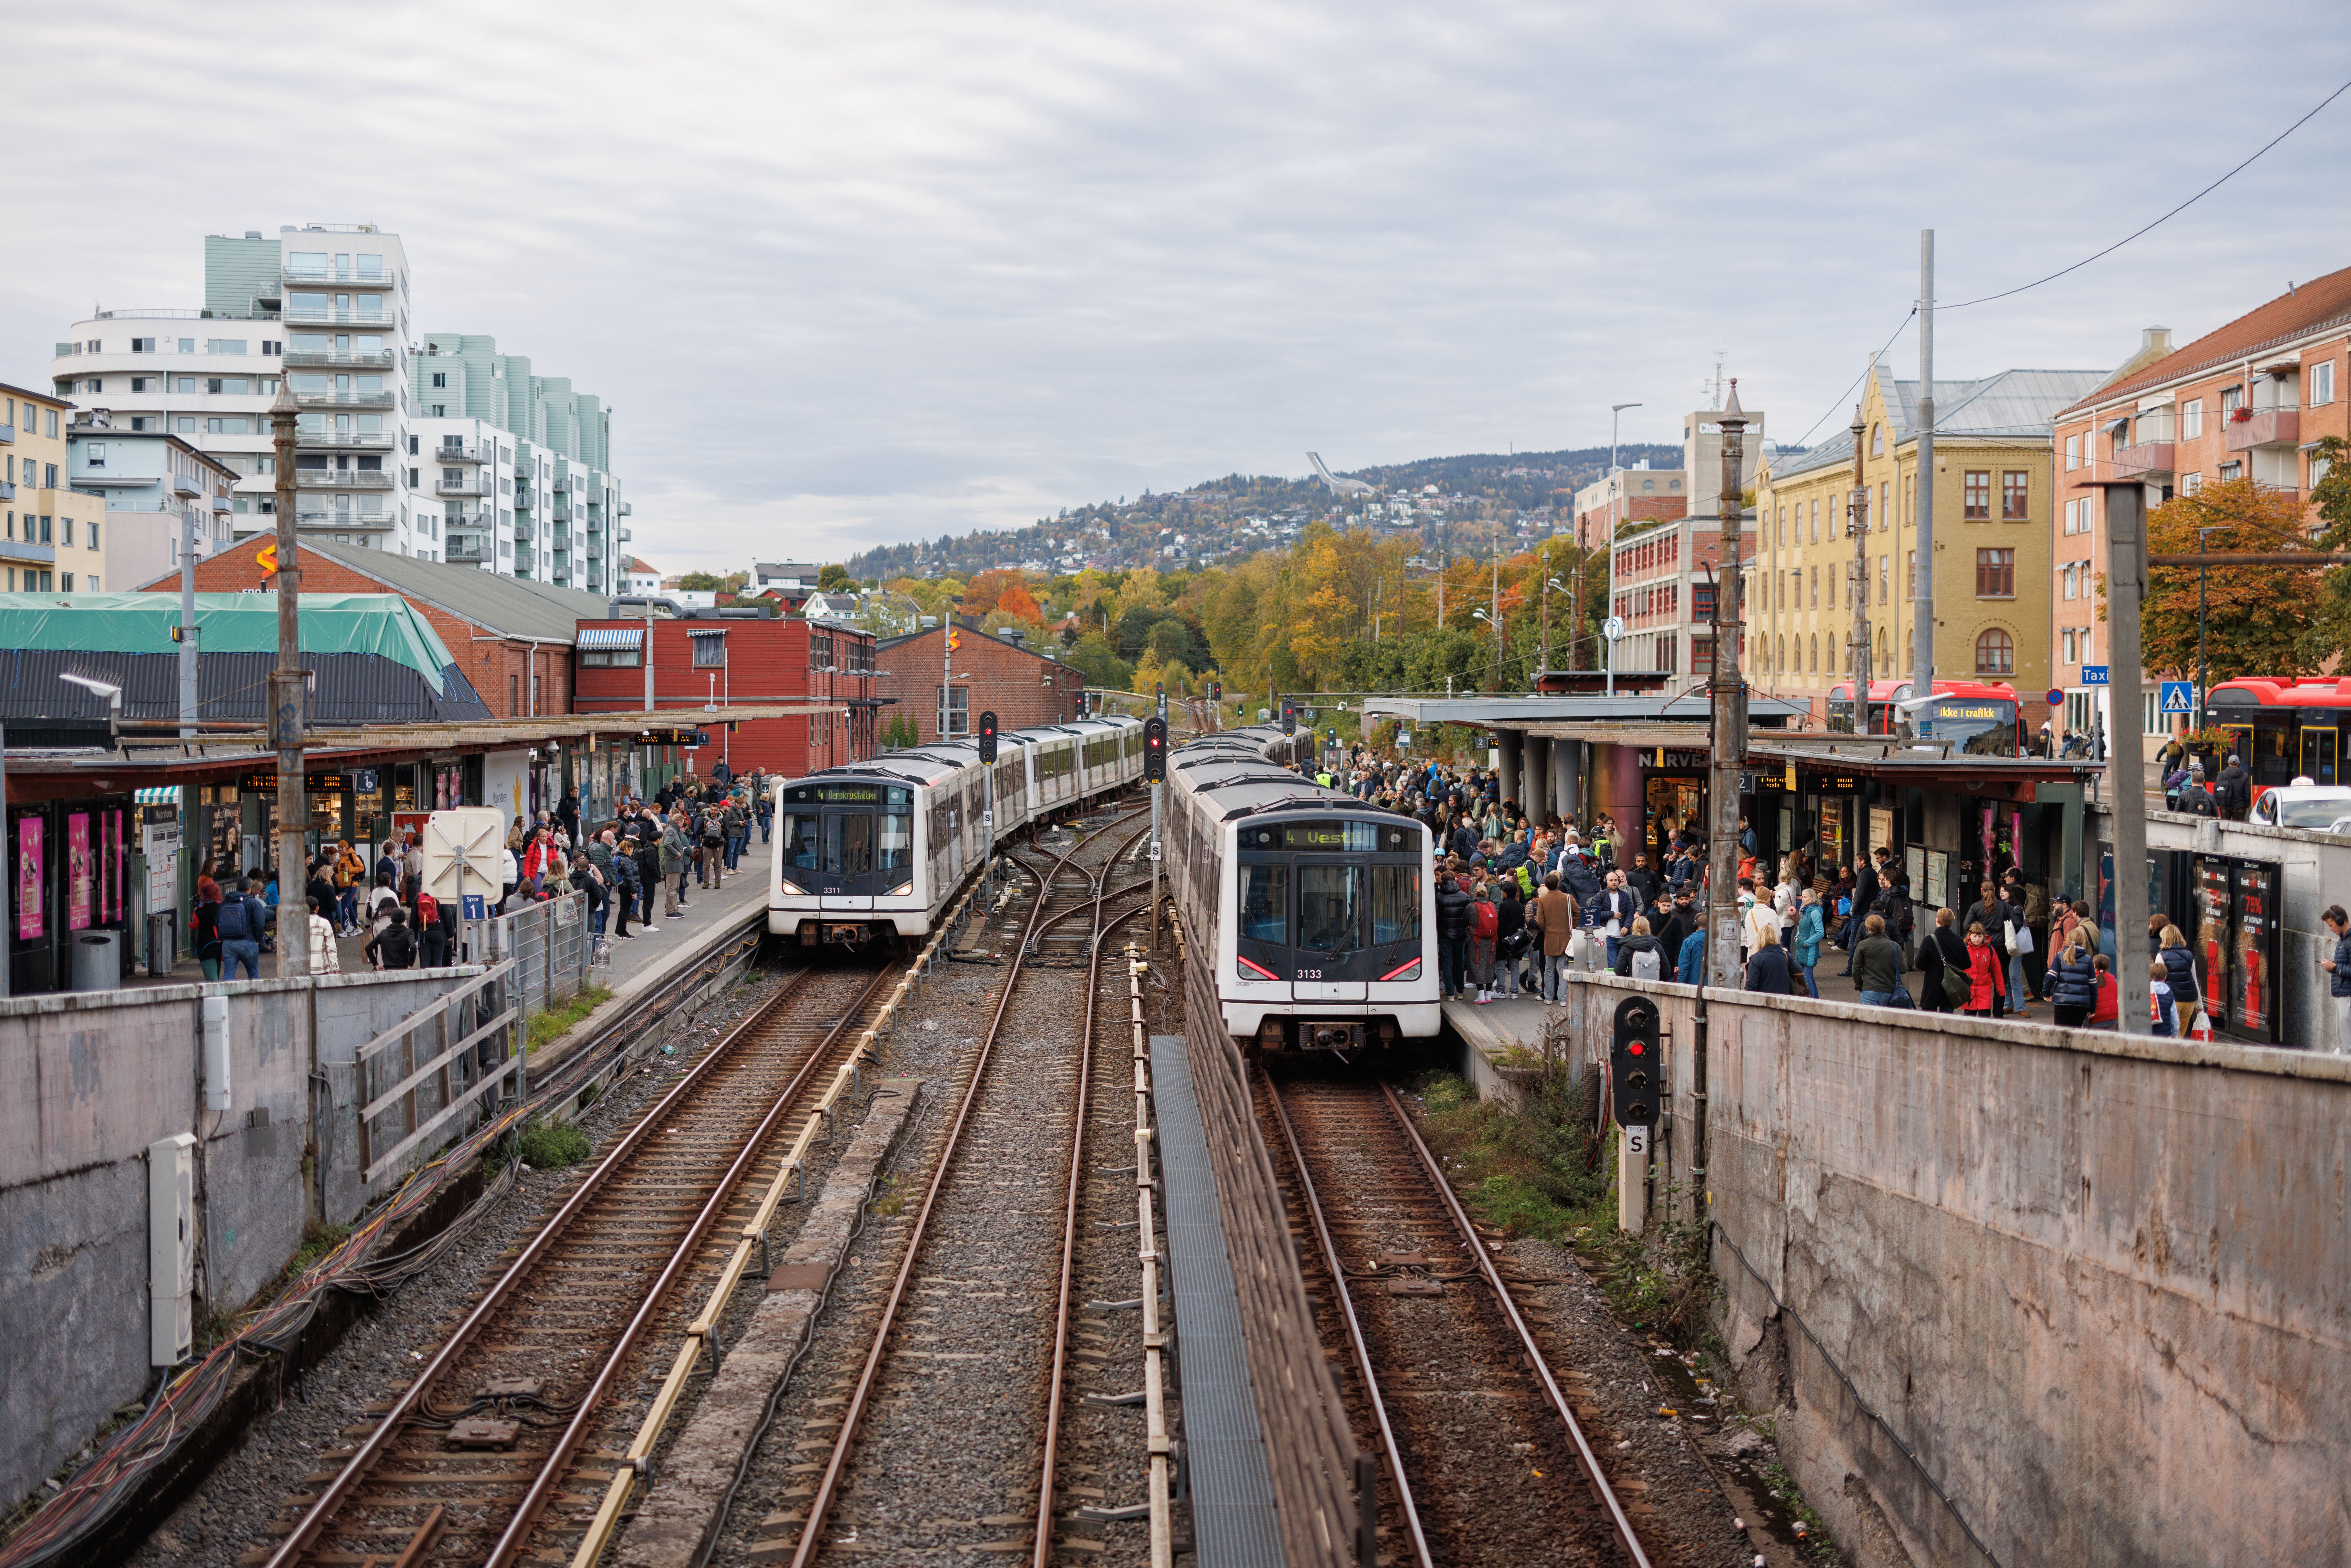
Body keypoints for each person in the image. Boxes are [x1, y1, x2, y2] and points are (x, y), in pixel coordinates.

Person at [1531, 872, 1576, 1001]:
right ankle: (1563, 999)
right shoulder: (1569, 898)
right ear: (1558, 884)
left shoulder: (1543, 900)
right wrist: (1571, 927)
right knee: (1564, 970)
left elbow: (1540, 921)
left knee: (1549, 970)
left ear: (1546, 886)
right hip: (1566, 938)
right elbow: (1578, 913)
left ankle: (1549, 997)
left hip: (1549, 938)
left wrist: (1547, 930)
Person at [215, 876, 267, 981]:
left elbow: (218, 923)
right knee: (254, 974)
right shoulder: (254, 903)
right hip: (248, 942)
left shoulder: (225, 902)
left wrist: (223, 940)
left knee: (229, 975)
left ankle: (227, 997)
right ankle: (256, 996)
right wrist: (258, 940)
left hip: (228, 943)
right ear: (249, 888)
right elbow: (260, 924)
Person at [2047, 928, 2097, 1028]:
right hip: (2082, 1004)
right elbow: (2093, 986)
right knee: (2075, 1037)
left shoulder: (2060, 956)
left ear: (2068, 941)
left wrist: (2046, 992)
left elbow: (2051, 977)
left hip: (2062, 1002)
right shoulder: (2088, 960)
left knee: (2060, 1036)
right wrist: (2092, 1008)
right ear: (2083, 942)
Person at [2156, 923, 2200, 1036]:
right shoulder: (2189, 955)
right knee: (2181, 1032)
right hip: (2190, 1000)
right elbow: (2194, 980)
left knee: (2173, 1034)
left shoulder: (2161, 956)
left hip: (2173, 999)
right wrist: (2200, 1005)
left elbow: (2158, 980)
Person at [1851, 914, 1904, 1008]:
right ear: (1883, 926)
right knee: (1887, 1021)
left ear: (1868, 928)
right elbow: (1903, 969)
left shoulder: (1863, 946)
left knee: (1870, 1021)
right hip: (1889, 991)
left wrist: (1861, 987)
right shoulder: (1895, 946)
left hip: (1869, 991)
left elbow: (1855, 971)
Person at [1437, 873, 1473, 1001]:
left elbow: (1436, 917)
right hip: (1460, 934)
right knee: (1459, 962)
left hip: (1445, 935)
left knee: (1447, 963)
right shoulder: (1465, 897)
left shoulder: (1439, 897)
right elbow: (1470, 916)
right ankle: (1460, 992)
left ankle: (1450, 993)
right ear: (1454, 880)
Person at [2321, 905, 2351, 1054]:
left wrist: (2334, 967)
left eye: (2331, 925)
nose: (2331, 929)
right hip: (2341, 996)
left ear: (2340, 921)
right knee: (2342, 1041)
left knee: (2348, 1043)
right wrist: (2332, 967)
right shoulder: (2342, 941)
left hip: (2348, 998)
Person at [1961, 922, 2006, 1017]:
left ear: (1984, 936)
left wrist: (2001, 990)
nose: (1977, 939)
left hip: (1985, 990)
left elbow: (1997, 972)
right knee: (1969, 1021)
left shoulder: (1990, 950)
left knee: (1985, 1019)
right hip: (1969, 990)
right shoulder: (1965, 949)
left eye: (1980, 936)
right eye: (1975, 936)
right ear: (1970, 936)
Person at [1494, 880, 1528, 999]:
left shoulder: (1504, 905)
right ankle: (1514, 991)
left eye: (1503, 891)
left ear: (1506, 893)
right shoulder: (1520, 905)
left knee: (1501, 965)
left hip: (1505, 940)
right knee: (1515, 967)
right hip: (1518, 942)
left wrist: (1498, 939)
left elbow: (1501, 925)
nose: (1502, 893)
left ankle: (1501, 990)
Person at [1743, 925, 1800, 995]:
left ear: (1759, 939)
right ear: (1775, 937)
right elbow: (1799, 971)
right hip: (1784, 1000)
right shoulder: (1786, 956)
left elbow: (1750, 987)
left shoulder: (1756, 959)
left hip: (1764, 1001)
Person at [1791, 886, 1824, 999]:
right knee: (1807, 977)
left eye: (1806, 897)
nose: (1803, 899)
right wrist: (1797, 937)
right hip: (1802, 948)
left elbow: (1821, 933)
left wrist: (1807, 943)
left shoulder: (1815, 913)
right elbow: (1801, 928)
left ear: (1812, 898)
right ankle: (1816, 1000)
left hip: (1809, 949)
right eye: (1803, 897)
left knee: (1808, 978)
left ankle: (1812, 1002)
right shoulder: (1804, 910)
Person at [1613, 914, 1665, 982]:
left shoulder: (1627, 945)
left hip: (1633, 985)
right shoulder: (1656, 944)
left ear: (1634, 927)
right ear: (1648, 927)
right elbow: (1666, 970)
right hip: (1654, 986)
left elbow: (1619, 970)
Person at [1469, 885, 1500, 1003]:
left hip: (1477, 940)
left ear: (1475, 895)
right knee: (1489, 965)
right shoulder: (1492, 905)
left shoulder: (1473, 906)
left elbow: (1467, 920)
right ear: (1486, 895)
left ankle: (1481, 997)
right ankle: (1488, 996)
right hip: (1491, 940)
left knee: (1477, 965)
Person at [191, 877, 224, 982]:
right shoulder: (223, 907)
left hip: (206, 947)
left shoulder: (200, 910)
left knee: (212, 983)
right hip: (221, 945)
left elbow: (193, 926)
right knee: (216, 981)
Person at [365, 906, 417, 970]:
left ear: (392, 920)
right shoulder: (409, 932)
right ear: (404, 921)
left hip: (388, 968)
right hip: (404, 968)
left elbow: (368, 948)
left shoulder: (383, 933)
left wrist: (376, 964)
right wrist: (411, 964)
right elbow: (413, 947)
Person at [661, 811, 693, 916]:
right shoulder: (671, 831)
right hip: (673, 863)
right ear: (679, 822)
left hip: (676, 863)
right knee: (672, 889)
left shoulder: (672, 830)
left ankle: (674, 910)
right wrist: (677, 853)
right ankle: (670, 912)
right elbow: (667, 844)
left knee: (675, 889)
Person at [305, 895, 341, 976]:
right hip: (321, 967)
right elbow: (331, 947)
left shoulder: (299, 924)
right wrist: (336, 966)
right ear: (317, 908)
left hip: (303, 968)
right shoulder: (324, 923)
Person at [2216, 753, 2252, 820]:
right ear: (2239, 763)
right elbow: (2247, 793)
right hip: (2240, 807)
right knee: (2238, 829)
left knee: (2225, 827)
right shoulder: (2245, 776)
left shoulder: (2221, 775)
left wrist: (2219, 803)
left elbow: (2217, 790)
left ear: (2228, 763)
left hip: (2225, 806)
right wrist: (2246, 805)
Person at [2148, 958, 2177, 1037]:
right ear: (2165, 977)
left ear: (2150, 976)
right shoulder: (2170, 995)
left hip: (2148, 1032)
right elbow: (2174, 1019)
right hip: (2164, 1034)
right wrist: (2175, 1035)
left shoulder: (2145, 992)